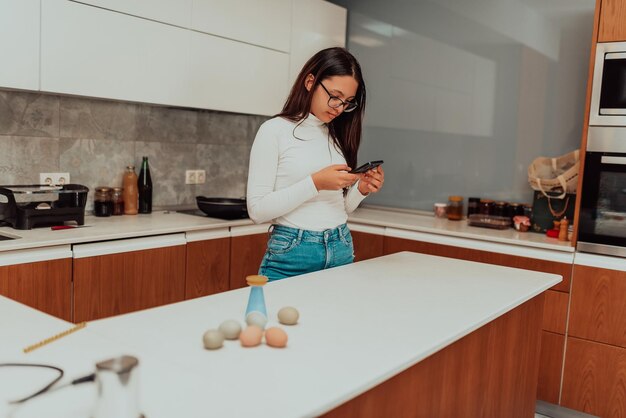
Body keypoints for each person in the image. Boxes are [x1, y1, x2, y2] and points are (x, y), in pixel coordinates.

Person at [246, 47, 384, 281]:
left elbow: (338, 207)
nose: (339, 108)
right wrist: (315, 183)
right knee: (277, 317)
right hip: (293, 253)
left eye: (347, 102)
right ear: (311, 81)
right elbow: (257, 210)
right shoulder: (274, 131)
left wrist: (360, 190)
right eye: (334, 96)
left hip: (340, 246)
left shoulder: (335, 135)